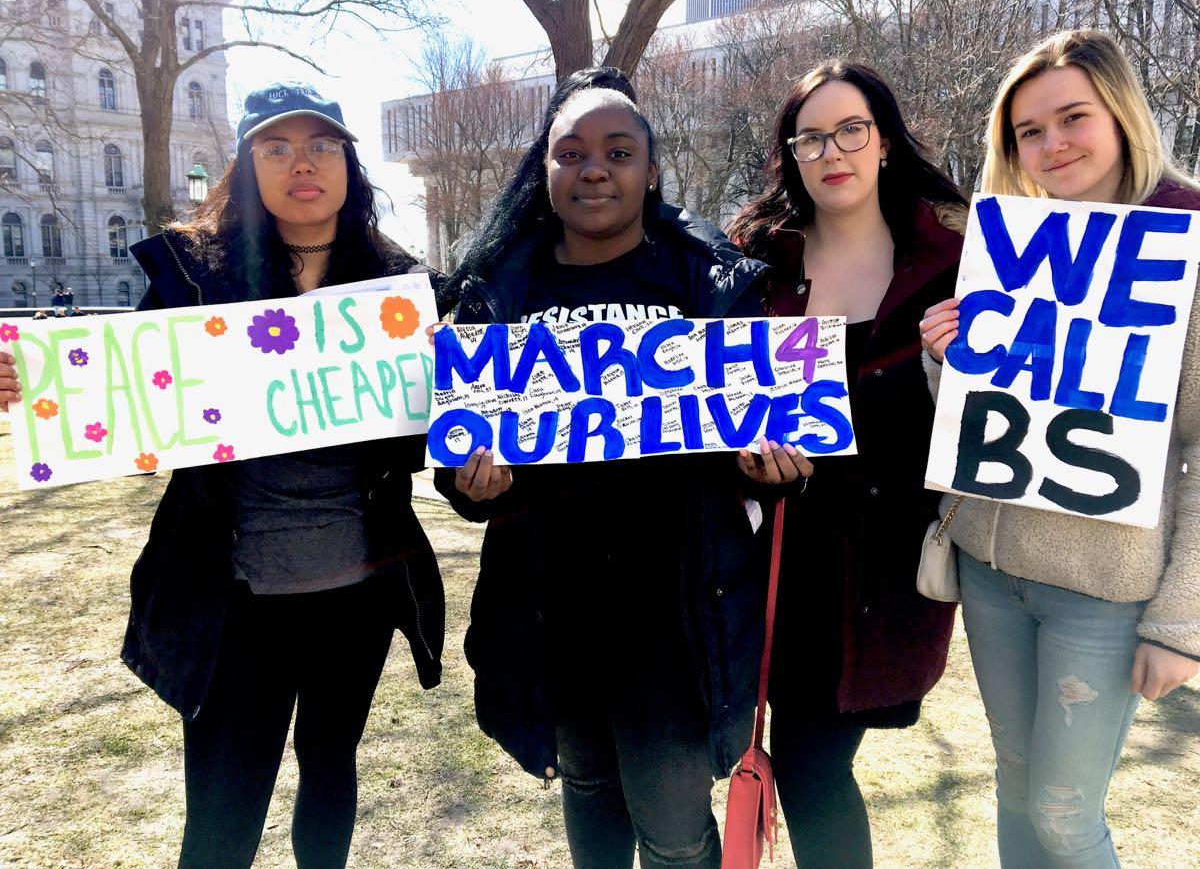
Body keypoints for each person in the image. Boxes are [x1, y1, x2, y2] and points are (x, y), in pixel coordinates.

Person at [0, 82, 445, 869]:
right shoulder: (190, 277)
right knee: (222, 812)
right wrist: (36, 384)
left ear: (348, 163)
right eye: (275, 148)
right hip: (230, 595)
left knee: (331, 772)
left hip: (359, 591)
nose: (300, 164)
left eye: (321, 146)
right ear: (247, 166)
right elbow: (126, 387)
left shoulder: (402, 287)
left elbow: (420, 435)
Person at [434, 68, 810, 869]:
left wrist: (774, 472)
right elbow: (461, 460)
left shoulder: (709, 280)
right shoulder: (496, 290)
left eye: (617, 150)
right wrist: (472, 486)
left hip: (675, 615)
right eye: (569, 152)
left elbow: (756, 453)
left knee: (675, 834)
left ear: (649, 168)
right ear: (544, 168)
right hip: (550, 610)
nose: (593, 168)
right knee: (590, 796)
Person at [920, 29, 1200, 868]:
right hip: (994, 570)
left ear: (1121, 113)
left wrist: (1182, 620)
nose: (1051, 145)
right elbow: (991, 419)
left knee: (1064, 817)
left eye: (1072, 117)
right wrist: (948, 364)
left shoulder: (1183, 242)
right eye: (1027, 132)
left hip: (1104, 593)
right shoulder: (1014, 245)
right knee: (1013, 786)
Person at [727, 61, 966, 867]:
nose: (833, 151)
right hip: (775, 564)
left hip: (887, 576)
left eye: (851, 130)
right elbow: (711, 412)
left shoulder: (955, 267)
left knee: (814, 765)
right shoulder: (752, 272)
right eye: (810, 138)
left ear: (886, 142)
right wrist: (746, 466)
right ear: (790, 156)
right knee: (805, 766)